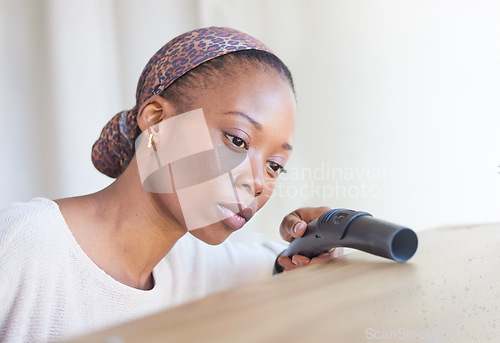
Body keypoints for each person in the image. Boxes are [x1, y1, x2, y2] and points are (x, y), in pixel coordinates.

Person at [0, 27, 341, 342]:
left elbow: (293, 263)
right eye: (237, 140)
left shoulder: (200, 267)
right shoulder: (27, 244)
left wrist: (323, 239)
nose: (256, 183)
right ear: (156, 121)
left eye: (274, 166)